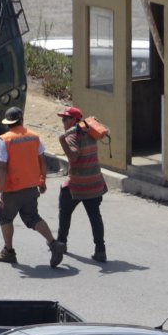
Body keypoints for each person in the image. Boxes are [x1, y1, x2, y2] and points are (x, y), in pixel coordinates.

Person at [0, 106, 66, 267]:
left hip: (11, 189)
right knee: (33, 217)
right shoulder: (34, 137)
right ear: (22, 120)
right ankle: (54, 243)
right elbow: (42, 160)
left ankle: (8, 252)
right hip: (30, 187)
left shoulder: (4, 140)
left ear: (8, 123)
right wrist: (42, 180)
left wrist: (0, 192)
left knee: (5, 217)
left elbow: (2, 168)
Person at [56, 106, 108, 263]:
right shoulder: (90, 130)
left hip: (77, 184)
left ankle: (61, 243)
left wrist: (62, 141)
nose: (63, 121)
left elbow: (73, 157)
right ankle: (100, 251)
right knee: (94, 216)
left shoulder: (72, 135)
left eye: (65, 118)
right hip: (95, 182)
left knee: (65, 212)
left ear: (74, 120)